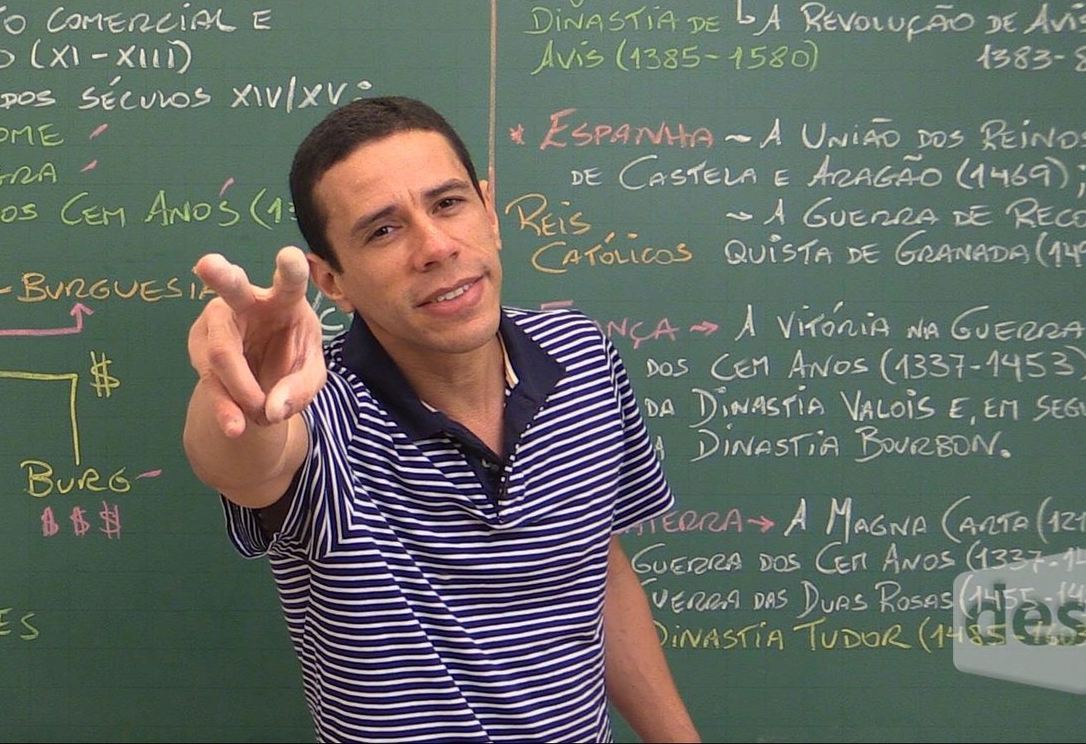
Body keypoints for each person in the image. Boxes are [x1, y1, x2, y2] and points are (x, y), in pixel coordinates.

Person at [183, 96, 700, 743]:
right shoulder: (318, 408)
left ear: (490, 210)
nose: (435, 247)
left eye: (448, 203)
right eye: (382, 231)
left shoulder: (584, 357)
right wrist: (249, 393)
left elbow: (597, 569)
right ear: (331, 281)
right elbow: (239, 460)